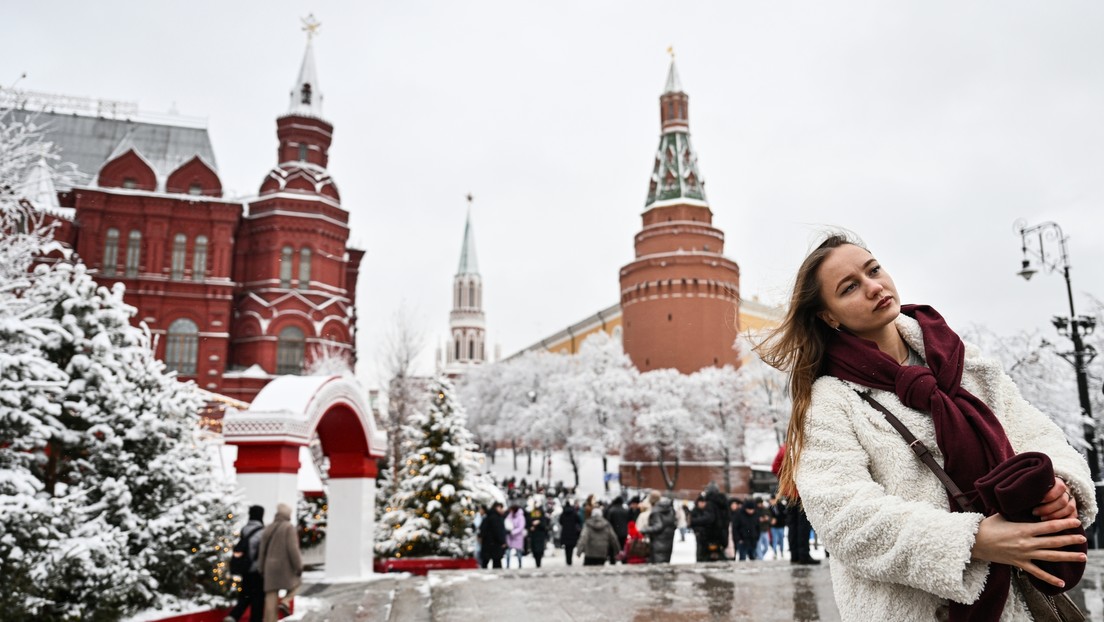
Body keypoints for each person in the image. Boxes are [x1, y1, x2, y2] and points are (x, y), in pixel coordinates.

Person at [758, 233, 1094, 621]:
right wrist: (972, 542)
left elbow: (1035, 431)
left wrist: (1060, 485)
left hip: (1014, 601)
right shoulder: (831, 400)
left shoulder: (961, 359)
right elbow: (844, 515)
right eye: (850, 287)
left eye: (873, 270)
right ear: (829, 316)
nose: (873, 287)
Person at [256, 503, 302, 622]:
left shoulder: (269, 527)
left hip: (269, 567)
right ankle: (286, 601)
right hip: (284, 567)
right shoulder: (288, 527)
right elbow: (293, 549)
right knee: (296, 583)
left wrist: (261, 568)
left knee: (270, 597)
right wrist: (298, 566)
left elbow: (262, 550)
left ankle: (269, 620)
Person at [225, 505, 265, 622]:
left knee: (245, 595)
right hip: (256, 570)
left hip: (245, 569)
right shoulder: (262, 532)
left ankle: (233, 615)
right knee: (257, 599)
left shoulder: (245, 529)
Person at [639, 495, 677, 564]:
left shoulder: (656, 511)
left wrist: (644, 529)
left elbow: (658, 526)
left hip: (658, 543)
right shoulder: (669, 510)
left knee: (658, 567)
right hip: (668, 542)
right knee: (664, 565)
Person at [479, 502, 507, 568]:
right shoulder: (496, 518)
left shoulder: (488, 516)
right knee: (497, 562)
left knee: (485, 562)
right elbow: (498, 531)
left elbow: (482, 529)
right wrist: (502, 541)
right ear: (497, 508)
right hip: (495, 544)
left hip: (487, 543)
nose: (502, 510)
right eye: (501, 508)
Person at [559, 499, 582, 566]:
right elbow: (579, 520)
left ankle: (567, 561)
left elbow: (560, 521)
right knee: (571, 548)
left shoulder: (563, 513)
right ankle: (570, 561)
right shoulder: (574, 512)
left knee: (566, 549)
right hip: (572, 532)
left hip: (565, 533)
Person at [504, 504, 527, 568]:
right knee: (508, 552)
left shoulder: (521, 517)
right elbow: (507, 522)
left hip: (518, 537)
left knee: (519, 552)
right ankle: (507, 565)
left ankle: (520, 564)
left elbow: (521, 527)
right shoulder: (510, 516)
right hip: (510, 537)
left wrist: (513, 532)